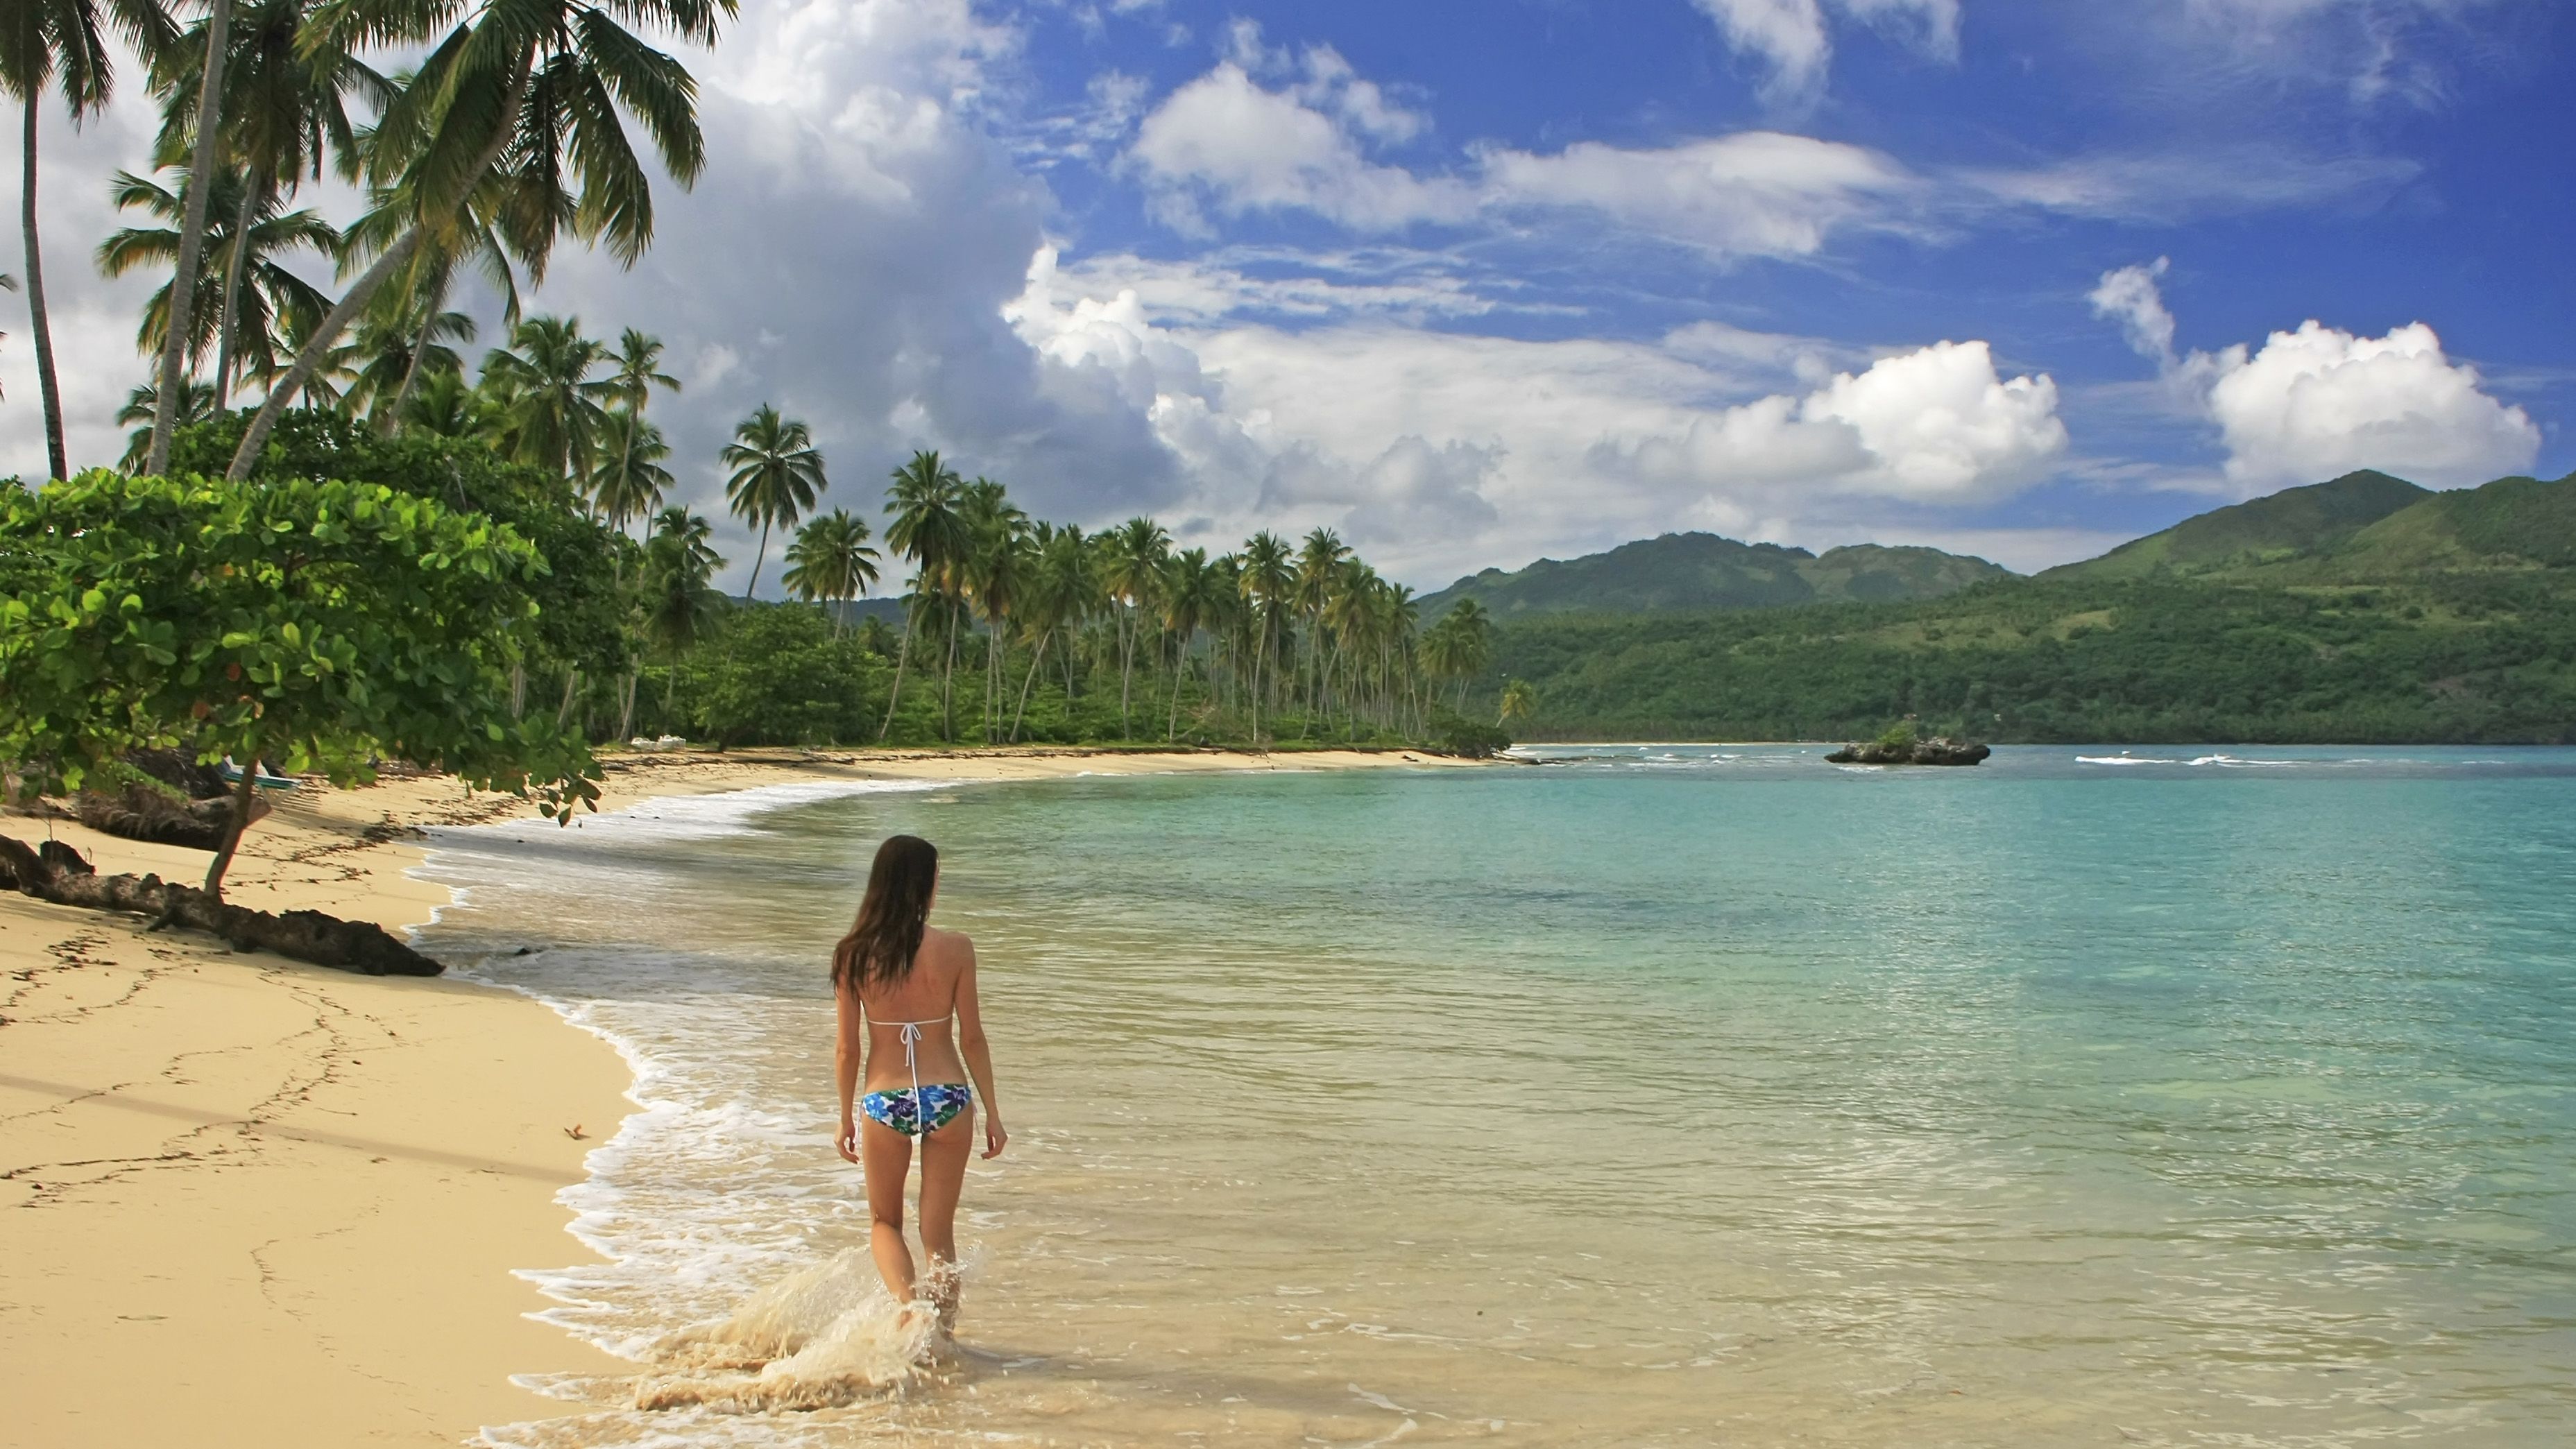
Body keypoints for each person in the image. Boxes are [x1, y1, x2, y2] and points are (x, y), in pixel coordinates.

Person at [832, 834, 1007, 1330]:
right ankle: (942, 1342)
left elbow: (848, 1049)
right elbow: (972, 1037)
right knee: (938, 1233)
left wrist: (844, 1116)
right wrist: (993, 1111)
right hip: (947, 1097)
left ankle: (909, 1307)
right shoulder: (956, 948)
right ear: (923, 884)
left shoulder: (851, 955)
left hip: (885, 1100)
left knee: (885, 1222)